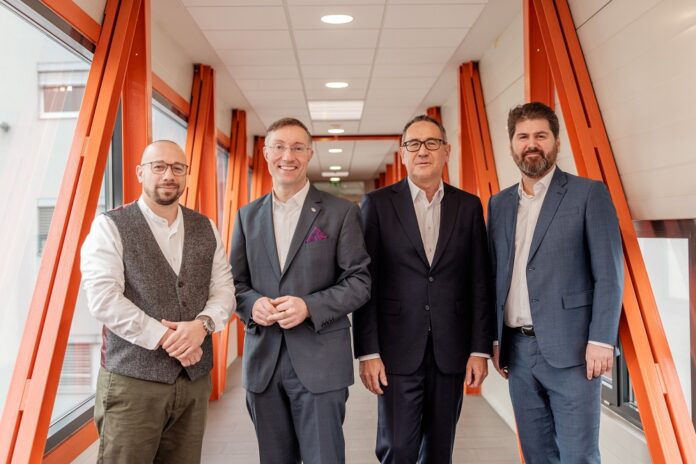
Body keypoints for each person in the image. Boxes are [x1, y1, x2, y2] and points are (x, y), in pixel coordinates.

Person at [80, 140, 236, 463]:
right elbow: (104, 299)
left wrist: (203, 325)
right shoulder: (110, 226)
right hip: (133, 383)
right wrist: (166, 336)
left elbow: (224, 289)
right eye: (159, 166)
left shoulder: (205, 226)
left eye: (178, 168)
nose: (169, 175)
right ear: (140, 173)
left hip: (193, 382)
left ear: (186, 174)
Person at [353, 114, 494, 463]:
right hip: (396, 350)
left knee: (439, 451)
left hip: (451, 350)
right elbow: (366, 283)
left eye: (432, 143)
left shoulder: (468, 206)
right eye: (413, 144)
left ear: (446, 151)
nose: (422, 151)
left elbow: (480, 281)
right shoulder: (377, 205)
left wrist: (480, 349)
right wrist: (368, 352)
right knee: (398, 447)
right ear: (402, 153)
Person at [487, 102, 623, 463]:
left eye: (541, 136)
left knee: (578, 455)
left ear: (556, 142)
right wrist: (495, 339)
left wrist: (601, 340)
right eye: (523, 137)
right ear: (511, 145)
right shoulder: (498, 205)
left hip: (574, 351)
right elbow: (495, 275)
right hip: (517, 352)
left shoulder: (588, 194)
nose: (532, 144)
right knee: (536, 454)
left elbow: (609, 274)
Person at [230, 117, 371, 464]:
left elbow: (359, 282)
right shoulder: (247, 216)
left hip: (321, 362)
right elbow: (234, 284)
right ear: (266, 153)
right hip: (263, 365)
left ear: (309, 153)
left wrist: (309, 306)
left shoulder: (341, 213)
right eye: (278, 147)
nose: (287, 156)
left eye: (297, 148)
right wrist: (253, 305)